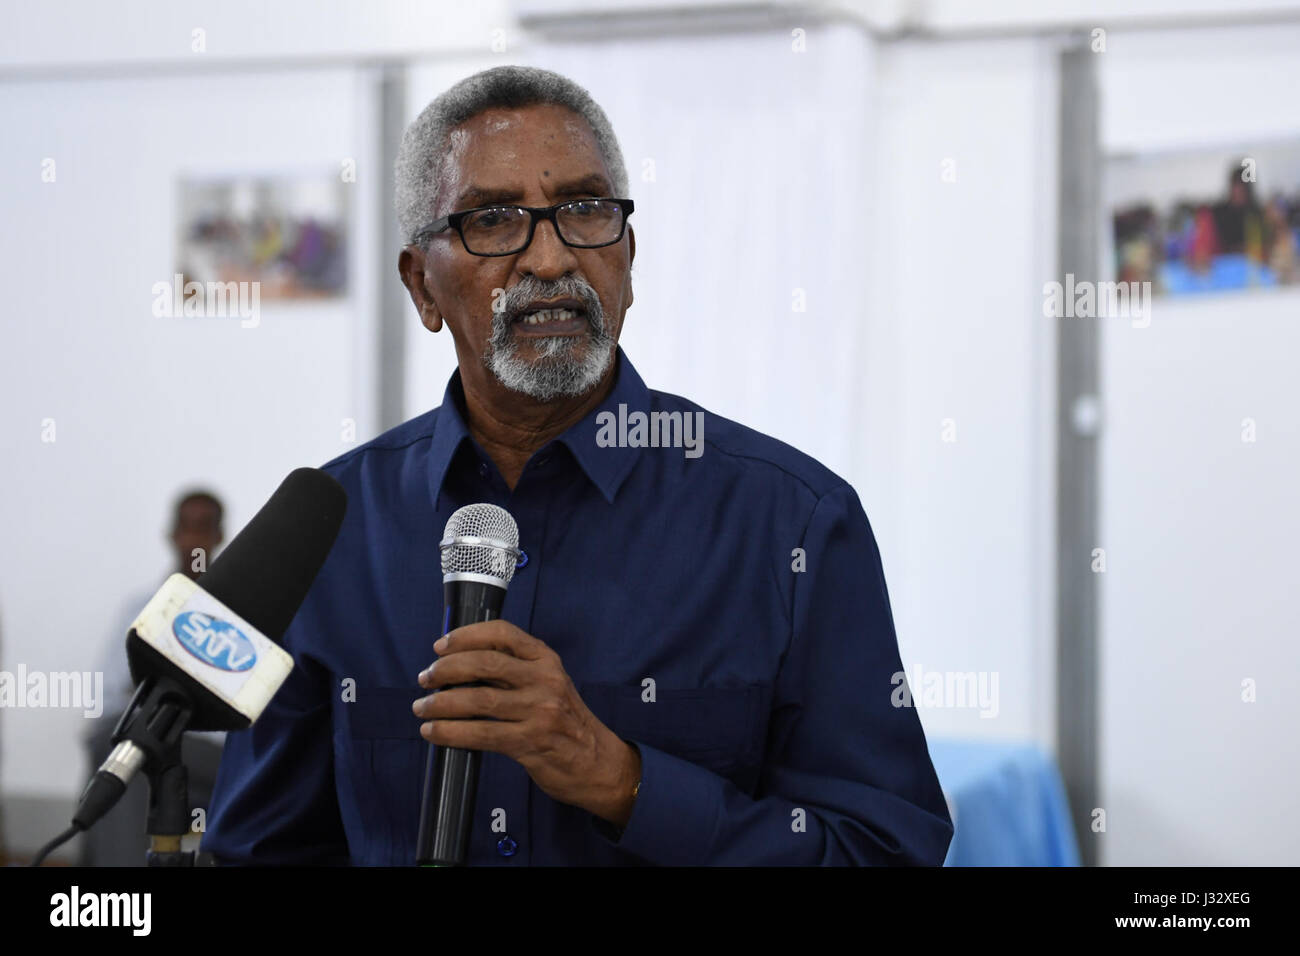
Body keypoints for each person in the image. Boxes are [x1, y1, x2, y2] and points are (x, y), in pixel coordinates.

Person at [204, 65, 953, 866]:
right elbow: (260, 850)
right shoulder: (331, 531)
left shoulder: (791, 523)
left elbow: (882, 851)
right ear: (422, 286)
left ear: (628, 257)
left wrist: (624, 782)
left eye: (585, 211)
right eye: (494, 219)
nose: (552, 259)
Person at [81, 489, 227, 866]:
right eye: (187, 528)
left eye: (204, 528)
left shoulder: (238, 614)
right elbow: (109, 698)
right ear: (172, 534)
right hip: (145, 749)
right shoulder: (139, 607)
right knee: (122, 756)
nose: (194, 539)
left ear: (220, 536)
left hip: (210, 759)